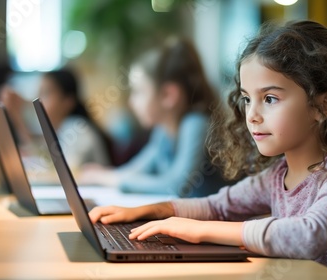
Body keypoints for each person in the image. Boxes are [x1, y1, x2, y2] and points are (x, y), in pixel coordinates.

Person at [88, 20, 327, 280]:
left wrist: (201, 231)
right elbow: (218, 206)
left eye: (271, 98)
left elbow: (310, 236)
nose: (252, 114)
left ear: (323, 105)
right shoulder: (277, 175)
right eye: (247, 98)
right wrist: (156, 210)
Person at [79, 37, 228, 197]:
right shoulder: (164, 131)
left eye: (138, 92)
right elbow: (137, 170)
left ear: (168, 95)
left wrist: (112, 179)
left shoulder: (196, 124)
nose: (131, 102)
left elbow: (175, 186)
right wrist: (103, 175)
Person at [0, 69, 111, 172]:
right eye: (38, 94)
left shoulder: (78, 129)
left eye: (46, 94)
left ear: (68, 101)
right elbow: (42, 154)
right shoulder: (59, 130)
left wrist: (18, 116)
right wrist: (16, 116)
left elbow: (61, 170)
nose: (39, 101)